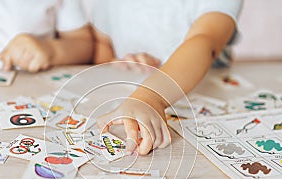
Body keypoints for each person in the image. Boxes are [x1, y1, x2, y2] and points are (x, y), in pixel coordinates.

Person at [91, 0, 243, 155]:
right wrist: (117, 61)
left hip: (206, 107)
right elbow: (102, 44)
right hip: (123, 101)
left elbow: (205, 40)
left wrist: (150, 97)